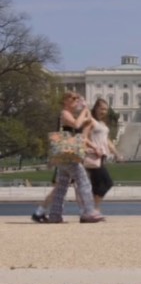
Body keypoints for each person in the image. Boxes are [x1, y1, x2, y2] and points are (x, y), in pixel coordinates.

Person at [45, 92, 105, 223]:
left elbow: (85, 127)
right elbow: (77, 125)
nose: (75, 101)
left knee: (61, 186)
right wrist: (84, 110)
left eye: (77, 99)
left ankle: (55, 215)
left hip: (65, 155)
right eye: (73, 99)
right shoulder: (64, 113)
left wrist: (86, 109)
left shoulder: (71, 115)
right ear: (65, 101)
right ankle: (88, 212)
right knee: (83, 181)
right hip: (68, 155)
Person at [83, 98, 122, 212]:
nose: (104, 112)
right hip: (94, 156)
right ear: (96, 108)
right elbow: (83, 137)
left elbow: (107, 140)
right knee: (107, 183)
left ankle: (93, 210)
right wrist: (94, 148)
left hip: (102, 156)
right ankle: (93, 209)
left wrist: (116, 153)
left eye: (106, 109)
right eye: (102, 109)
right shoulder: (90, 121)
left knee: (96, 185)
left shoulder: (102, 123)